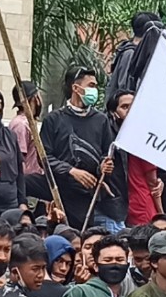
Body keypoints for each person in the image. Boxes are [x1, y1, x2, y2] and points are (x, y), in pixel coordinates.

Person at [39, 67, 118, 231]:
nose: (95, 90)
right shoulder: (54, 119)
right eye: (91, 85)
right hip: (59, 192)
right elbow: (44, 158)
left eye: (96, 86)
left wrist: (104, 166)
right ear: (76, 88)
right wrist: (71, 171)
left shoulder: (101, 120)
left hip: (89, 196)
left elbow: (107, 154)